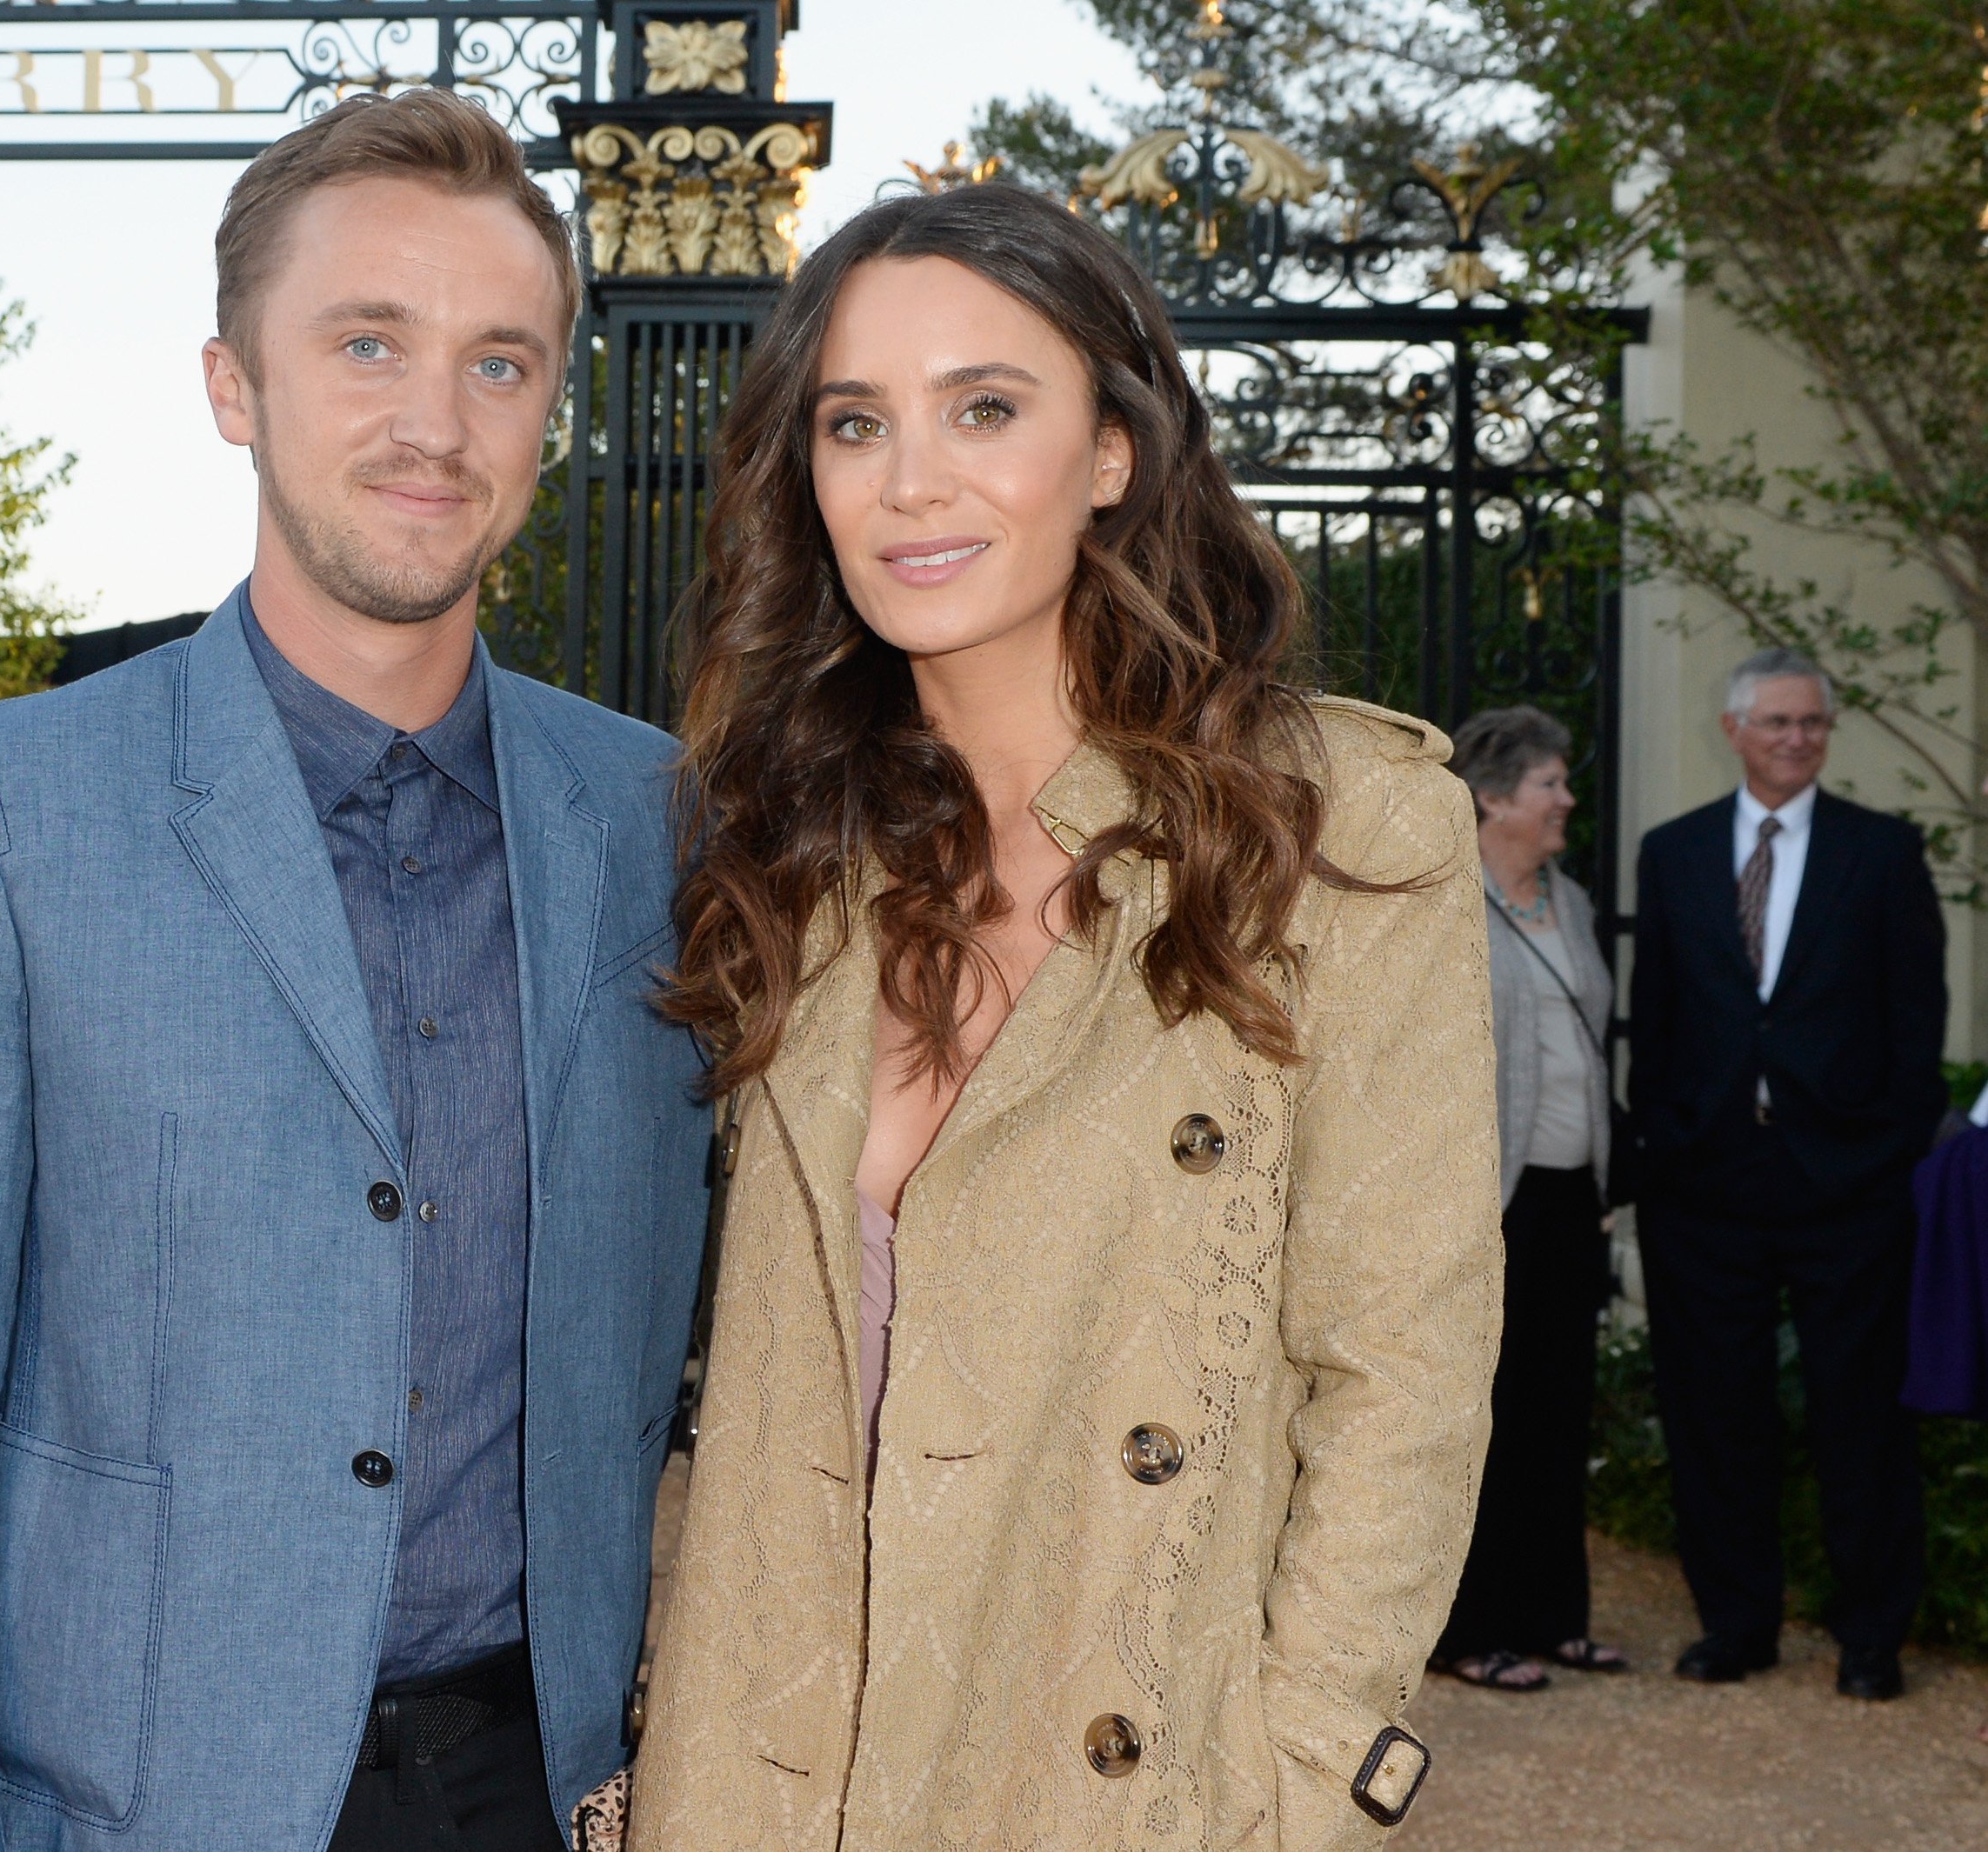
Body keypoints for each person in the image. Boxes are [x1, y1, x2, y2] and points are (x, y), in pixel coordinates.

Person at [0, 91, 710, 1852]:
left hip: (550, 1794)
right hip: (138, 1806)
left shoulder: (657, 820)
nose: (432, 422)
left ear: (548, 412)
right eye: (366, 342)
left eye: (498, 362)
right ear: (235, 386)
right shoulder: (4, 809)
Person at [630, 183, 1500, 1849]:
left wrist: (1299, 1777)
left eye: (984, 408)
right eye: (854, 424)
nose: (912, 483)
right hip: (762, 1786)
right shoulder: (779, 850)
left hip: (1120, 1792)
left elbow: (1402, 1364)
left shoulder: (1331, 834)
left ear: (1110, 449)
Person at [1628, 647, 1945, 1701]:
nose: (1797, 739)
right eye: (1777, 723)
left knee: (1859, 1416)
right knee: (1716, 1414)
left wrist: (1890, 1145)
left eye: (1812, 723)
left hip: (1843, 1184)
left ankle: (1870, 1638)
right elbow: (1660, 1013)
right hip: (1706, 1181)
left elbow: (1918, 1019)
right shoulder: (1669, 854)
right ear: (1733, 730)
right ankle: (1737, 1626)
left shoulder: (1882, 851)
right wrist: (1664, 1138)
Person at [1430, 706, 1627, 1693]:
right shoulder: (1440, 904)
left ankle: (1556, 1618)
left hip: (1566, 1200)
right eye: (1549, 783)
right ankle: (1470, 1629)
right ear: (1494, 796)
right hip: (1482, 1199)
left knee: (1559, 1412)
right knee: (1486, 1418)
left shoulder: (1575, 904)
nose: (1565, 801)